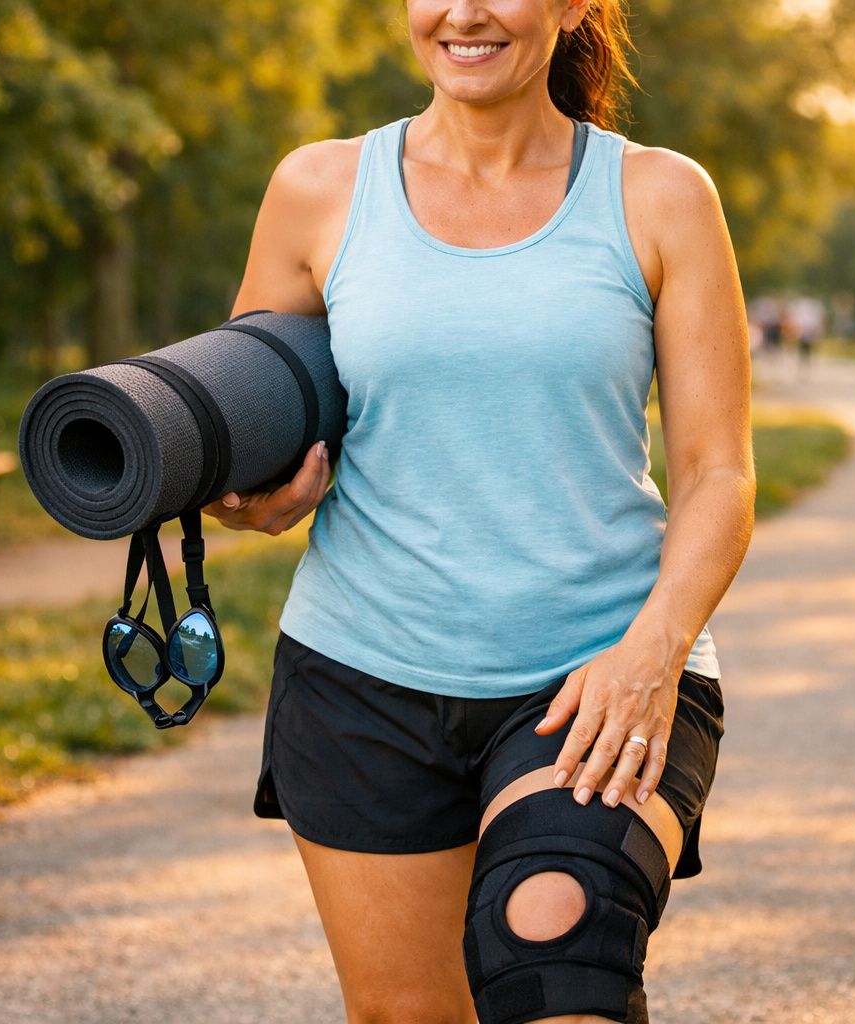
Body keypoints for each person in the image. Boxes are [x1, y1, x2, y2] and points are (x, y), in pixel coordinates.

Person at [203, 2, 753, 1022]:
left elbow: (719, 472)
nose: (464, 11)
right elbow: (264, 410)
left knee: (558, 956)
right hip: (361, 678)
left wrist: (652, 654)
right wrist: (251, 496)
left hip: (597, 670)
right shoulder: (315, 189)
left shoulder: (661, 195)